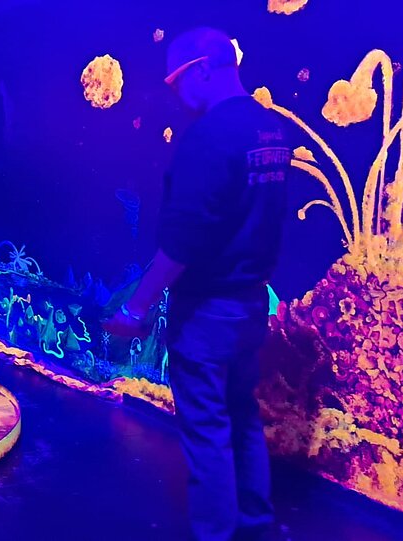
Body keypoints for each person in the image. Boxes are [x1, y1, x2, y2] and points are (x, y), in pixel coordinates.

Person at [102, 27, 289, 541]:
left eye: (175, 79)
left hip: (208, 310)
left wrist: (136, 309)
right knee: (243, 416)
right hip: (251, 304)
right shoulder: (271, 130)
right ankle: (257, 524)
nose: (172, 91)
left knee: (206, 429)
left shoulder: (207, 138)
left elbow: (184, 241)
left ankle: (216, 533)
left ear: (203, 68)